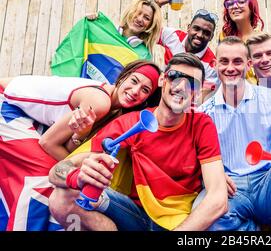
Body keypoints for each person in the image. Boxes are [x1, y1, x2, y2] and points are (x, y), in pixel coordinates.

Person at [47, 53, 228, 231]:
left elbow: (218, 199)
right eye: (174, 77)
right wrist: (76, 177)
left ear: (197, 93)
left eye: (192, 83)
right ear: (162, 80)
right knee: (61, 199)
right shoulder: (132, 123)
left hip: (182, 219)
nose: (181, 86)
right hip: (134, 215)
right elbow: (59, 170)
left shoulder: (201, 124)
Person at [198, 36, 271, 231]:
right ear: (214, 64)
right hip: (231, 187)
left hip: (270, 181)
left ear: (248, 65)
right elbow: (199, 159)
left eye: (237, 61)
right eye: (224, 61)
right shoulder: (204, 113)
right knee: (203, 212)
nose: (231, 68)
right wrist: (215, 176)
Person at [0, 60, 161, 160]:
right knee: (44, 176)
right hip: (7, 100)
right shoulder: (100, 102)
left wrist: (80, 135)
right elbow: (48, 143)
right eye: (134, 81)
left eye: (145, 90)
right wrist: (79, 167)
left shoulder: (115, 111)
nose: (135, 91)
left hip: (22, 109)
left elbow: (68, 145)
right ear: (123, 76)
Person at [51, 0, 163, 83]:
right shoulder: (102, 31)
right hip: (77, 89)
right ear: (130, 12)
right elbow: (74, 48)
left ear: (150, 26)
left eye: (146, 18)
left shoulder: (144, 56)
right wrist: (91, 25)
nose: (139, 19)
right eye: (137, 13)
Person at [152, 0, 219, 101]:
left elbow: (201, 100)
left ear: (211, 37)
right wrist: (156, 4)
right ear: (188, 28)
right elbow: (148, 30)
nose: (200, 35)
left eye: (206, 33)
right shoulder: (173, 36)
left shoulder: (211, 65)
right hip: (160, 90)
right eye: (196, 29)